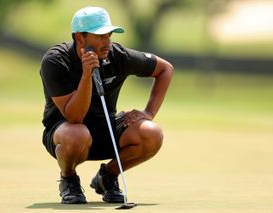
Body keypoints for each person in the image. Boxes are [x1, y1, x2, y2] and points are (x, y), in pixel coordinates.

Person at [40, 6, 173, 204]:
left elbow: (165, 69)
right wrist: (87, 75)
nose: (107, 43)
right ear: (79, 38)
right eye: (100, 36)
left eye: (109, 35)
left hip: (106, 129)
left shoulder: (117, 55)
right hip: (66, 133)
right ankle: (69, 180)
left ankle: (107, 177)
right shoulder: (56, 61)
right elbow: (74, 117)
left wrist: (149, 112)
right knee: (77, 133)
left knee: (152, 134)